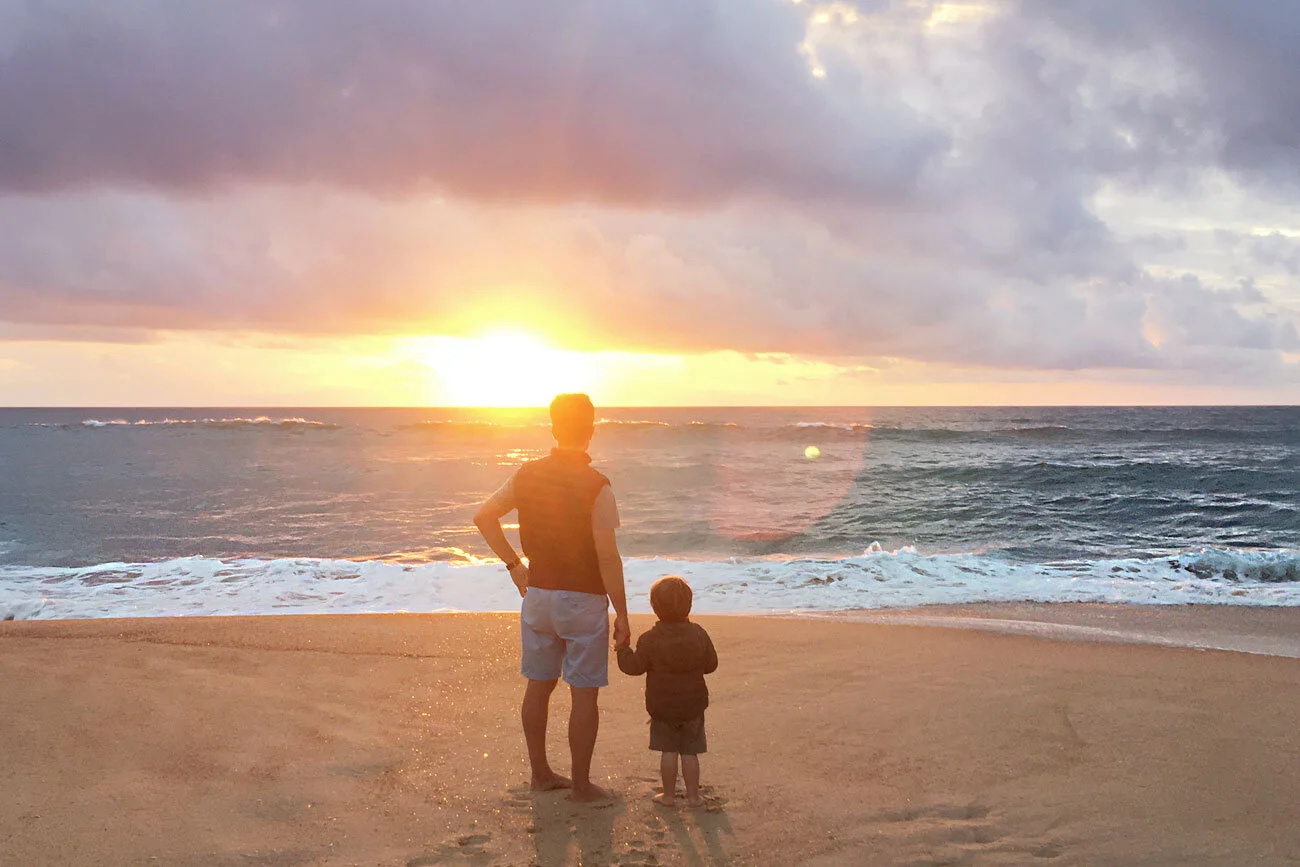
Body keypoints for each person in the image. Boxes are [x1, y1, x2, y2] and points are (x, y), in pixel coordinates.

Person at [474, 393, 631, 802]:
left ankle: (540, 774)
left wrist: (514, 565)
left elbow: (483, 517)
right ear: (591, 431)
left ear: (553, 428)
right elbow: (608, 557)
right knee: (584, 694)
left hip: (538, 596)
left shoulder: (526, 475)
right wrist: (622, 614)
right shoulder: (597, 486)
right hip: (583, 600)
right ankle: (580, 785)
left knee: (539, 687)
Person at [616, 575, 718, 808]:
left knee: (669, 751)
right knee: (690, 753)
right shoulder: (698, 634)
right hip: (693, 706)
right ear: (689, 605)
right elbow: (711, 664)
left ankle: (669, 796)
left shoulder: (650, 639)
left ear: (654, 607)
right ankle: (693, 797)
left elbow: (633, 667)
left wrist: (622, 648)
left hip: (662, 708)